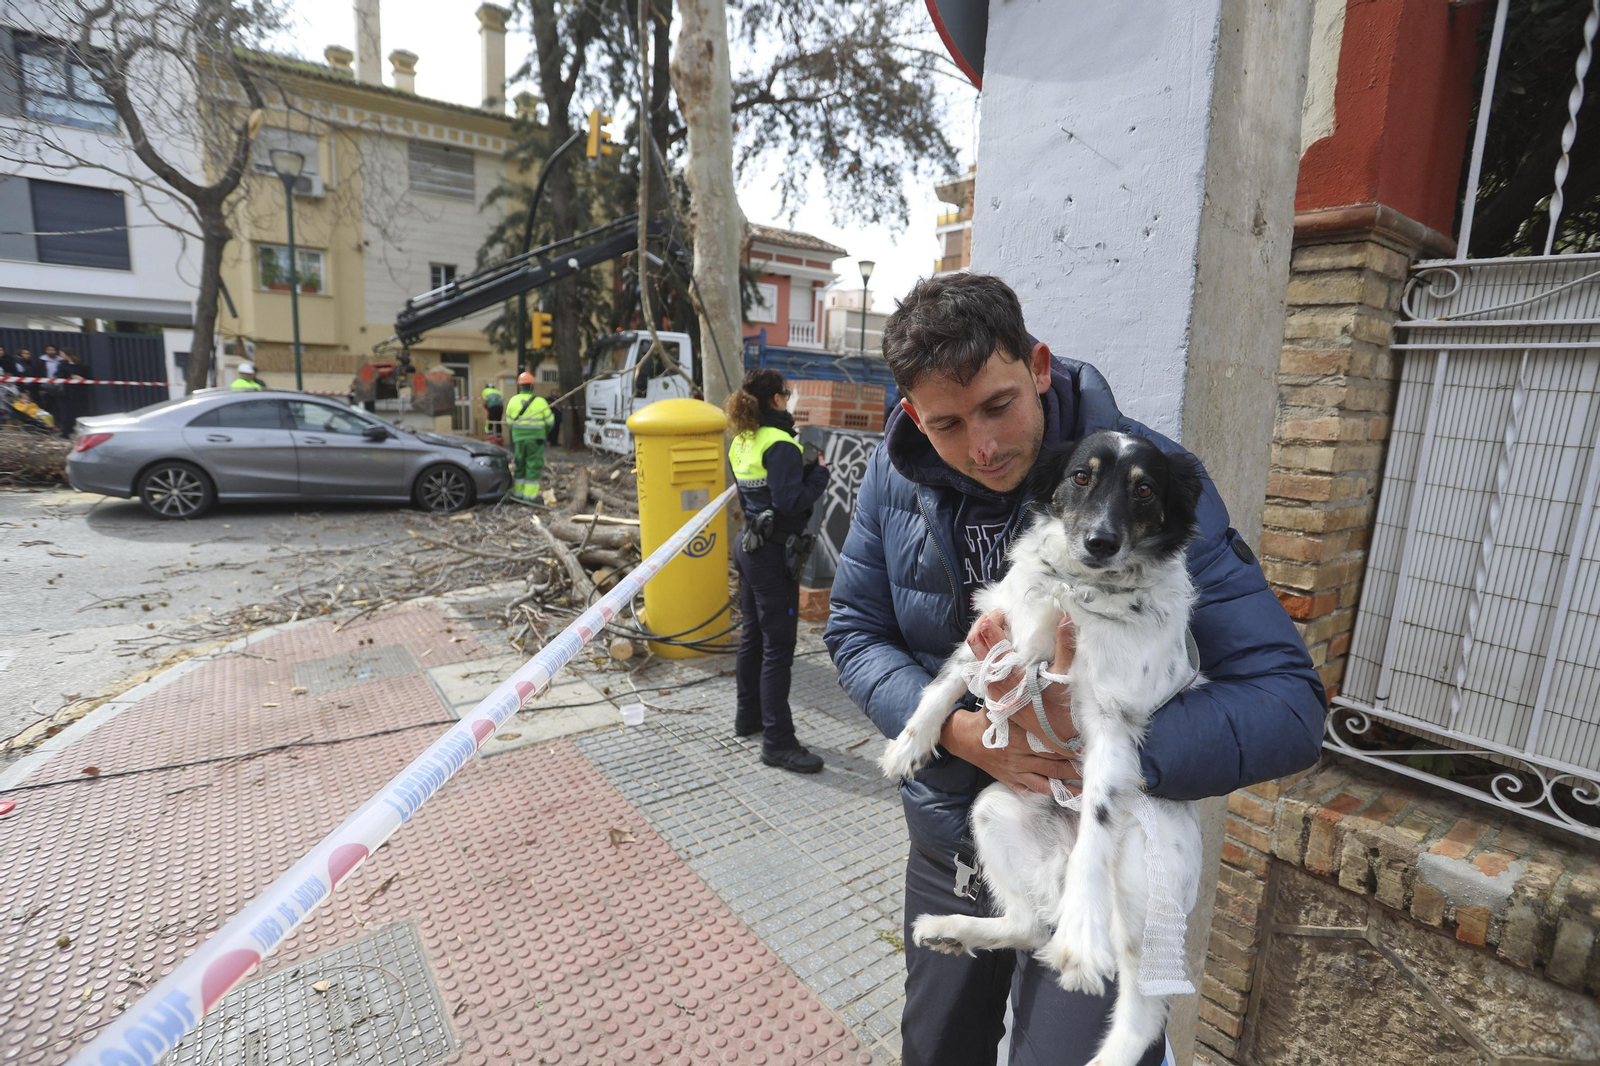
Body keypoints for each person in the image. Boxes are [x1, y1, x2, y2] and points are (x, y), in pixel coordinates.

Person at [823, 273, 1325, 1066]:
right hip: (957, 832)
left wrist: (1099, 744)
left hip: (1106, 847)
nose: (982, 447)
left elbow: (1290, 706)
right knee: (936, 1051)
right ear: (915, 415)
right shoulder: (896, 473)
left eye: (998, 406)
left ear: (1039, 367)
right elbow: (855, 631)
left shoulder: (1155, 482)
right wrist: (957, 735)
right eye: (947, 424)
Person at [726, 369, 831, 774]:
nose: (789, 399)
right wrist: (818, 472)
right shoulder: (781, 443)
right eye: (786, 394)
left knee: (753, 637)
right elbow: (790, 502)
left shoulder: (743, 440)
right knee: (777, 649)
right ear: (775, 399)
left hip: (749, 547)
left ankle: (748, 717)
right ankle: (778, 743)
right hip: (772, 556)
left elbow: (758, 496)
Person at [504, 371, 554, 502]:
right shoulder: (541, 402)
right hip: (536, 439)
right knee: (533, 465)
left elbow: (509, 423)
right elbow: (550, 422)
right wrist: (543, 433)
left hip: (518, 439)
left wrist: (518, 432)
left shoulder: (512, 401)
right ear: (532, 386)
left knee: (519, 464)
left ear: (519, 386)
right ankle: (529, 497)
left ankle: (518, 494)